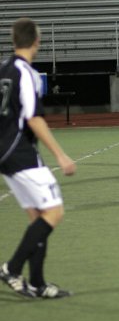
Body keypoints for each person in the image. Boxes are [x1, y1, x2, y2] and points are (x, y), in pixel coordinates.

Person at [0, 17, 76, 299]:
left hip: (4, 153)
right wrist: (61, 155)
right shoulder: (26, 72)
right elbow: (33, 118)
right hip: (19, 151)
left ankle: (39, 284)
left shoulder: (3, 69)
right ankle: (11, 268)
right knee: (54, 212)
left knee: (38, 219)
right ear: (36, 41)